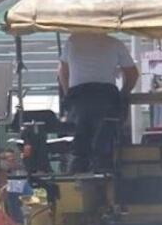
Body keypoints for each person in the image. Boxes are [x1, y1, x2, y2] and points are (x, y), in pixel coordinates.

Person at [58, 32, 140, 173]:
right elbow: (133, 74)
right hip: (106, 97)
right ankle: (106, 180)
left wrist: (68, 95)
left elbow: (63, 72)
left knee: (79, 145)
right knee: (105, 143)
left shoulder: (72, 40)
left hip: (79, 97)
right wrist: (123, 93)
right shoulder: (114, 43)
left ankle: (76, 183)